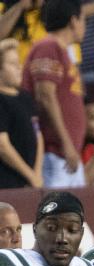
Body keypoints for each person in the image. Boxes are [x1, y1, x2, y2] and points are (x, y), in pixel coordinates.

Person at [22, 0, 84, 187]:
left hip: (66, 153)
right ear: (74, 21)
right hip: (54, 153)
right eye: (83, 20)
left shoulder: (62, 50)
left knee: (77, 213)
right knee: (57, 214)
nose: (84, 26)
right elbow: (45, 97)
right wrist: (66, 143)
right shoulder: (48, 46)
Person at [0, 39, 40, 188]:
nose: (19, 67)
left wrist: (36, 173)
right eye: (12, 63)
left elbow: (38, 135)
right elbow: (3, 145)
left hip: (31, 181)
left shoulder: (25, 97)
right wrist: (30, 175)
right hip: (7, 183)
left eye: (19, 62)